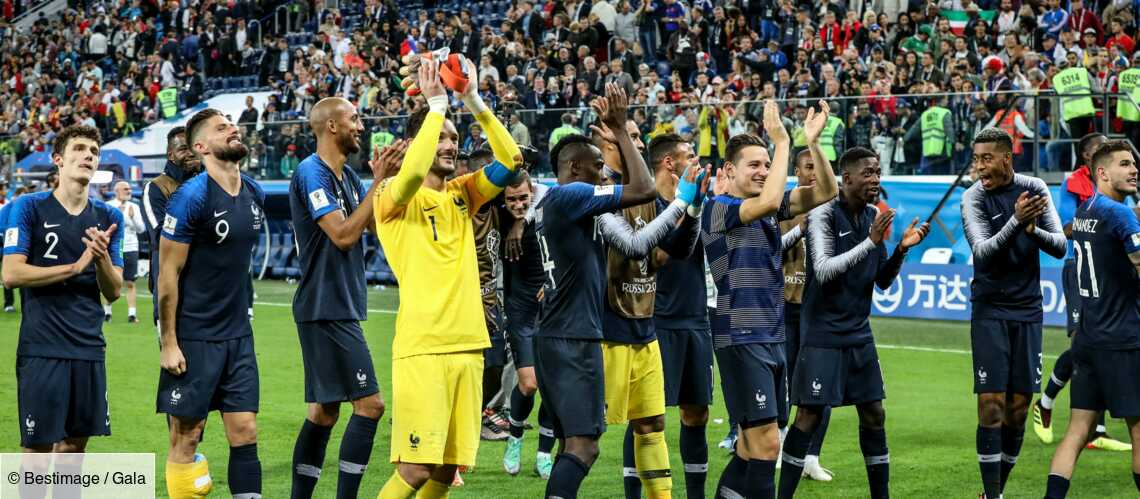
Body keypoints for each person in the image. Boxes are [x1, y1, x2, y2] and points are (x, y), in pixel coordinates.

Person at [374, 56, 522, 499]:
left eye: (454, 138)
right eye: (440, 137)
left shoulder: (464, 193)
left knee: (445, 469)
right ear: (419, 139)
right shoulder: (390, 196)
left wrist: (471, 99)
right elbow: (414, 171)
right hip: (424, 350)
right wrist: (436, 106)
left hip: (469, 346)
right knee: (416, 469)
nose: (450, 145)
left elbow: (511, 160)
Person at [703, 100, 838, 499]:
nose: (763, 171)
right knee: (766, 446)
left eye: (767, 165)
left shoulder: (765, 209)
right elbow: (765, 201)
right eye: (753, 165)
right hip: (742, 338)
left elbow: (827, 191)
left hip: (770, 335)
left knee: (750, 448)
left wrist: (811, 144)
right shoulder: (718, 208)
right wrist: (781, 142)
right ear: (729, 171)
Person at [532, 83, 661, 499]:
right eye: (596, 168)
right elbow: (644, 188)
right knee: (583, 447)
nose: (603, 174)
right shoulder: (572, 194)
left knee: (577, 444)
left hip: (560, 334)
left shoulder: (558, 203)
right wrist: (622, 130)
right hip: (572, 338)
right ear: (573, 169)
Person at [779, 147, 930, 499]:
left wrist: (900, 251)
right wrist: (871, 242)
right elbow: (825, 270)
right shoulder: (822, 215)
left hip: (859, 334)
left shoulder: (873, 215)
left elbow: (882, 281)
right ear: (846, 179)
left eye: (878, 172)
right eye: (868, 173)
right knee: (808, 417)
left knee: (874, 413)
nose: (875, 179)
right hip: (822, 335)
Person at [287, 97, 406, 499]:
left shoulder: (350, 178)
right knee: (370, 405)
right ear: (332, 126)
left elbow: (371, 225)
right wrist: (378, 183)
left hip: (336, 303)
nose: (361, 124)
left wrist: (388, 181)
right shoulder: (312, 172)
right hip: (326, 306)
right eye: (354, 118)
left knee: (324, 411)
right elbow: (342, 235)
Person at [589, 115, 704, 499]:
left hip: (645, 329)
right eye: (627, 137)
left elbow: (660, 255)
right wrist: (683, 204)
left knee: (652, 423)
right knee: (585, 440)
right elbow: (635, 247)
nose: (634, 144)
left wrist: (692, 212)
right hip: (606, 331)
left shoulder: (652, 202)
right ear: (604, 144)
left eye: (636, 137)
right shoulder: (598, 196)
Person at [157, 108, 266, 499]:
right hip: (194, 337)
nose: (233, 129)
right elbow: (167, 275)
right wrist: (168, 341)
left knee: (245, 431)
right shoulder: (190, 197)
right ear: (201, 147)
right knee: (187, 437)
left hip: (238, 335)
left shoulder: (252, 193)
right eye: (222, 128)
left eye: (232, 124)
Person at [2, 125, 123, 474]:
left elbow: (113, 291)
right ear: (58, 159)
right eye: (81, 149)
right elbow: (10, 274)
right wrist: (74, 267)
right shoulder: (29, 207)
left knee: (73, 448)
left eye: (94, 152)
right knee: (37, 449)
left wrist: (100, 257)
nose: (89, 155)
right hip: (42, 347)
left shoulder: (108, 217)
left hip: (88, 347)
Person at [961, 127, 1066, 499]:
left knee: (1019, 408)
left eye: (986, 159)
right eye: (976, 160)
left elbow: (1060, 246)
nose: (980, 168)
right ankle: (992, 495)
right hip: (989, 309)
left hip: (1028, 311)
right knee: (991, 405)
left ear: (1007, 157)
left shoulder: (1035, 187)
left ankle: (995, 492)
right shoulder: (972, 198)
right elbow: (982, 251)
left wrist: (1032, 229)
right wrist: (1016, 222)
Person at [1043, 139, 1140, 498]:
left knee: (1077, 432)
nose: (1134, 170)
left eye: (1134, 165)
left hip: (1087, 337)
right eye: (1125, 164)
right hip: (1122, 338)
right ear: (1102, 172)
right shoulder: (1119, 213)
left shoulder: (1086, 210)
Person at [648, 133, 716, 498]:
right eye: (690, 156)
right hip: (656, 322)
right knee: (649, 419)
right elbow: (658, 258)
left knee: (697, 414)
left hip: (695, 319)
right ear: (669, 163)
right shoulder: (645, 204)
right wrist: (685, 207)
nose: (698, 162)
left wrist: (695, 206)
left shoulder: (702, 203)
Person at [778, 149, 834, 483]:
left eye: (819, 167)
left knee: (819, 387)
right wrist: (799, 229)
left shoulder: (832, 208)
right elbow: (769, 251)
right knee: (783, 383)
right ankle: (782, 445)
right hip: (784, 307)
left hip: (818, 310)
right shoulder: (782, 205)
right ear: (797, 171)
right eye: (808, 167)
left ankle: (812, 456)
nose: (814, 173)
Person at [499, 170, 559, 479]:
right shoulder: (497, 213)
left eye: (523, 198)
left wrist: (553, 284)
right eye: (511, 199)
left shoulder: (548, 205)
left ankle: (544, 453)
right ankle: (515, 437)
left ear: (532, 190)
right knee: (529, 383)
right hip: (519, 310)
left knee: (550, 386)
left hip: (550, 308)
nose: (518, 204)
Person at [142, 126, 203, 335]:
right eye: (184, 149)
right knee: (174, 362)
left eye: (194, 148)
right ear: (171, 154)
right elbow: (160, 236)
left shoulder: (210, 183)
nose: (191, 154)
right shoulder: (156, 188)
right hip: (170, 286)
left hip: (206, 288)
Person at [106, 180, 145, 324]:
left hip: (131, 247)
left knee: (130, 282)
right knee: (110, 281)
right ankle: (107, 312)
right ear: (117, 191)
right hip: (114, 248)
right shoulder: (109, 206)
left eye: (129, 189)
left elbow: (141, 229)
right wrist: (121, 216)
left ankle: (132, 315)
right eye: (125, 189)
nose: (129, 191)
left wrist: (133, 217)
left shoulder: (134, 207)